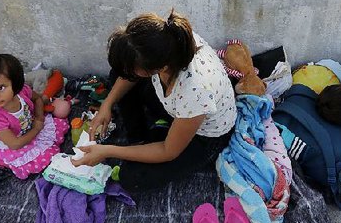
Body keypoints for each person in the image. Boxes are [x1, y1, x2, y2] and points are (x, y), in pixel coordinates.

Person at [71, 10, 236, 192]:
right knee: (118, 75)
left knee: (132, 178)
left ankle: (157, 135)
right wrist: (106, 105)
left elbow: (168, 151)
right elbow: (130, 73)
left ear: (160, 67)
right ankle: (140, 138)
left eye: (136, 70)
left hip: (204, 136)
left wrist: (109, 150)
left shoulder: (195, 91)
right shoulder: (168, 41)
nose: (131, 73)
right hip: (179, 107)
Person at [0, 53, 69, 179]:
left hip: (30, 127)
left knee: (59, 125)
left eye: (1, 87)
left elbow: (37, 99)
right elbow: (15, 144)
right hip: (16, 144)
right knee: (44, 159)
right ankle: (4, 161)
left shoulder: (22, 91)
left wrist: (39, 117)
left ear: (16, 83)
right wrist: (36, 128)